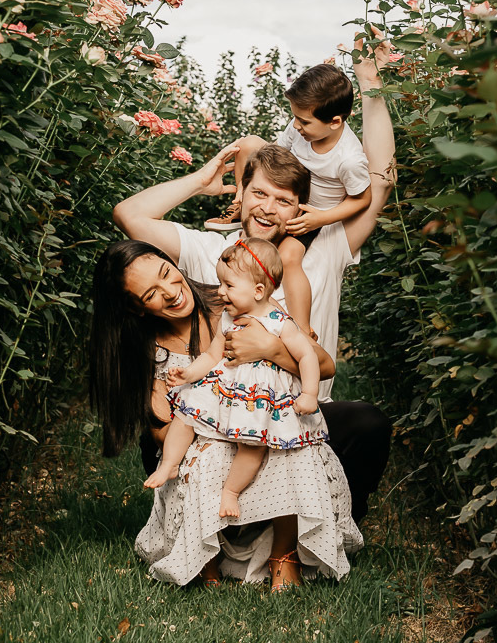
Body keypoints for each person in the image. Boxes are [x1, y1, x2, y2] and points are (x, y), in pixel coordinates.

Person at [112, 33, 396, 522]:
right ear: (242, 194)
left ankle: (336, 512)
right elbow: (130, 215)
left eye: (285, 200)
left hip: (298, 412)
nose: (269, 208)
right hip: (228, 414)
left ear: (301, 208)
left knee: (368, 423)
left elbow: (382, 180)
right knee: (176, 424)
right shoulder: (210, 248)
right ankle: (211, 514)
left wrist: (369, 86)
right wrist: (201, 181)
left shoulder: (324, 247)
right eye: (259, 194)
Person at [88, 239, 360, 590]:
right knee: (212, 450)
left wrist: (272, 349)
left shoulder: (235, 302)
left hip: (253, 416)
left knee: (286, 446)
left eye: (167, 274)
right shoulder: (140, 352)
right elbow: (166, 430)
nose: (171, 292)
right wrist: (184, 391)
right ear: (137, 309)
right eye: (151, 294)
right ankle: (205, 555)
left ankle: (284, 555)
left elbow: (322, 364)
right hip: (198, 438)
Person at [145, 238, 328, 523]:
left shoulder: (280, 321)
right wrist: (189, 374)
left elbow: (308, 357)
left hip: (259, 398)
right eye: (220, 284)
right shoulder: (229, 318)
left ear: (258, 291)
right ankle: (169, 464)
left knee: (252, 446)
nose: (220, 292)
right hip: (223, 388)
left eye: (228, 286)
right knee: (185, 414)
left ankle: (231, 491)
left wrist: (309, 394)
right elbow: (211, 355)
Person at [204, 64, 373, 334]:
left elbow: (363, 200)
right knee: (247, 144)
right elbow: (274, 154)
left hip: (310, 214)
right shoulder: (299, 128)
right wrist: (253, 183)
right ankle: (241, 203)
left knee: (289, 256)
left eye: (304, 121)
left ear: (335, 122)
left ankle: (302, 326)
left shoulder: (349, 159)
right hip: (287, 188)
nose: (296, 125)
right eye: (295, 117)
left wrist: (320, 218)